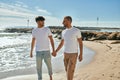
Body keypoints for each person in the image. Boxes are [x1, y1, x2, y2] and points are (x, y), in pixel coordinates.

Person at [55, 16, 83, 80]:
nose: (62, 23)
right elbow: (62, 43)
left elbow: (80, 43)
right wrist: (55, 51)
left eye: (64, 21)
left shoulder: (76, 30)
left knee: (70, 71)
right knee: (67, 71)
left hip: (73, 54)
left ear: (69, 21)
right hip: (65, 54)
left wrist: (81, 54)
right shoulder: (63, 32)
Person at [30, 16, 56, 80]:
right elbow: (33, 41)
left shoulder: (47, 29)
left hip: (47, 51)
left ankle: (51, 77)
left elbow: (51, 40)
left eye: (43, 21)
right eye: (42, 21)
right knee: (38, 67)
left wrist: (54, 50)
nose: (43, 22)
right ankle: (40, 79)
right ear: (38, 22)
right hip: (38, 52)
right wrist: (31, 52)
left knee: (49, 66)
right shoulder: (34, 30)